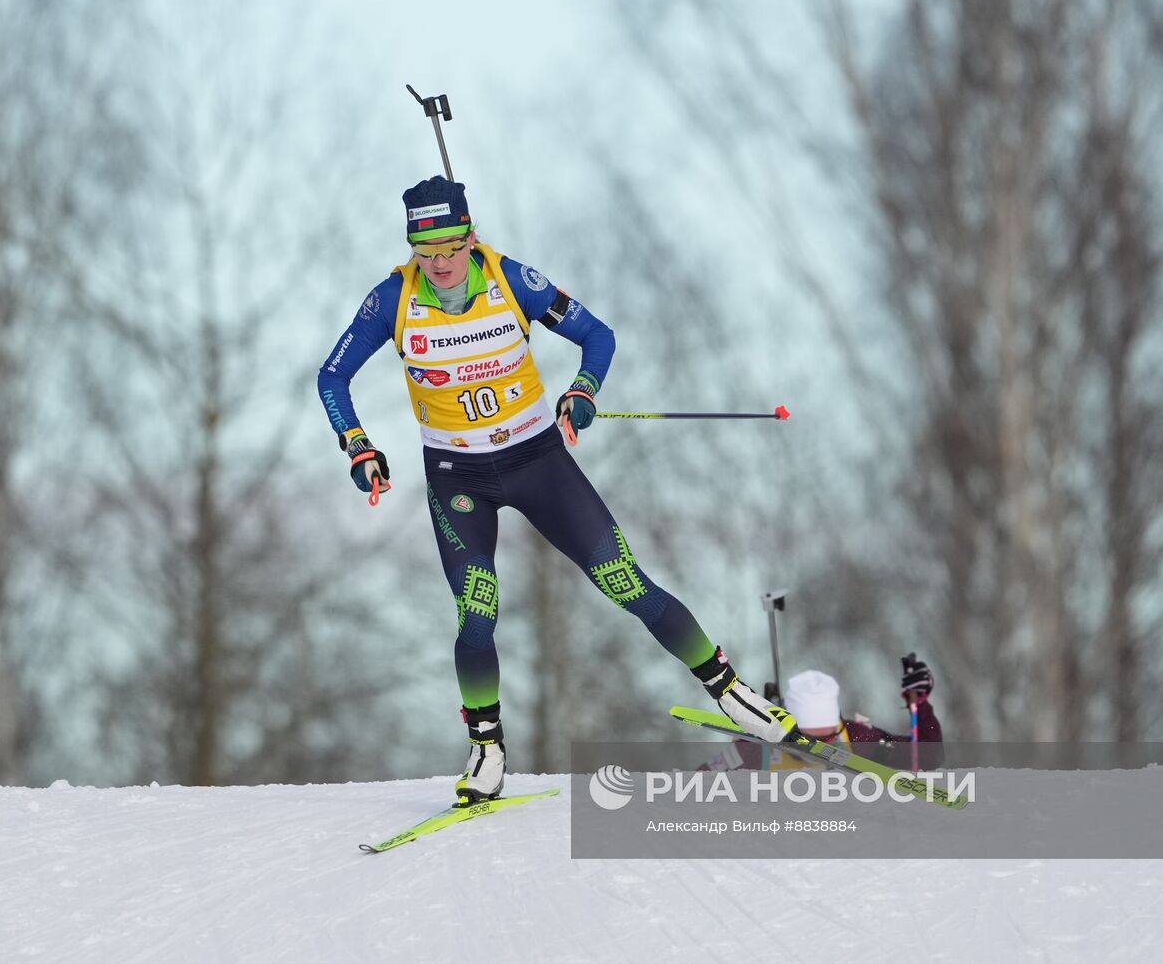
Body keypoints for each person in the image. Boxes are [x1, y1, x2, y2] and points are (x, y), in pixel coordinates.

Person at [317, 176, 799, 805]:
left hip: (536, 459)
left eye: (450, 249)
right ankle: (486, 748)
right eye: (424, 252)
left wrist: (583, 390)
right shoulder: (392, 301)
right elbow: (333, 376)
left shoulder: (512, 279)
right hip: (458, 475)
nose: (438, 265)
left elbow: (598, 336)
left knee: (626, 582)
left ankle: (731, 692)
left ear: (470, 237)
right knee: (476, 612)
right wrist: (359, 445)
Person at [702, 655, 943, 772]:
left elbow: (926, 757)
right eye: (806, 739)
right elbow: (697, 786)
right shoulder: (755, 750)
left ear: (837, 726)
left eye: (828, 738)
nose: (816, 748)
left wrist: (920, 704)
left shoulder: (857, 740)